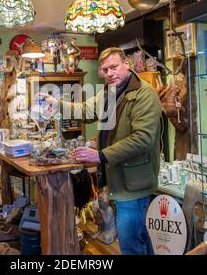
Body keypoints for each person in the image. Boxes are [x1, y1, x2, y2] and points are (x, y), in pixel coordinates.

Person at [41, 47, 162, 255]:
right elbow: (85, 110)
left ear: (127, 64)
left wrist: (99, 155)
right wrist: (57, 103)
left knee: (130, 241)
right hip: (117, 176)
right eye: (105, 70)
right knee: (138, 235)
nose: (109, 73)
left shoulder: (144, 94)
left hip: (134, 181)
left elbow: (142, 139)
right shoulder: (108, 92)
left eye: (113, 67)